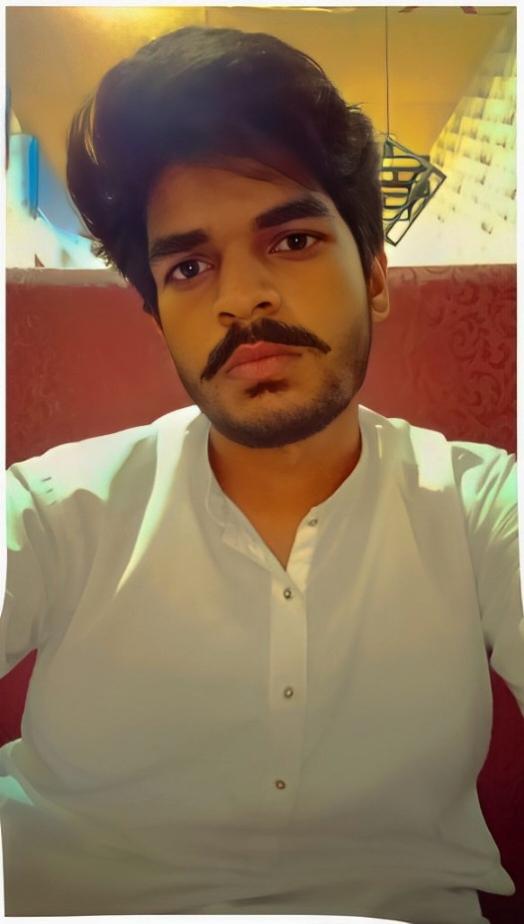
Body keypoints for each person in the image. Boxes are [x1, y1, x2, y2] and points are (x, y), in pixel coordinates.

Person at [0, 24, 522, 924]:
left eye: (292, 241)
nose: (240, 297)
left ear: (377, 277)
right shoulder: (56, 511)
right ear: (159, 318)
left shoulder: (481, 508)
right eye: (189, 266)